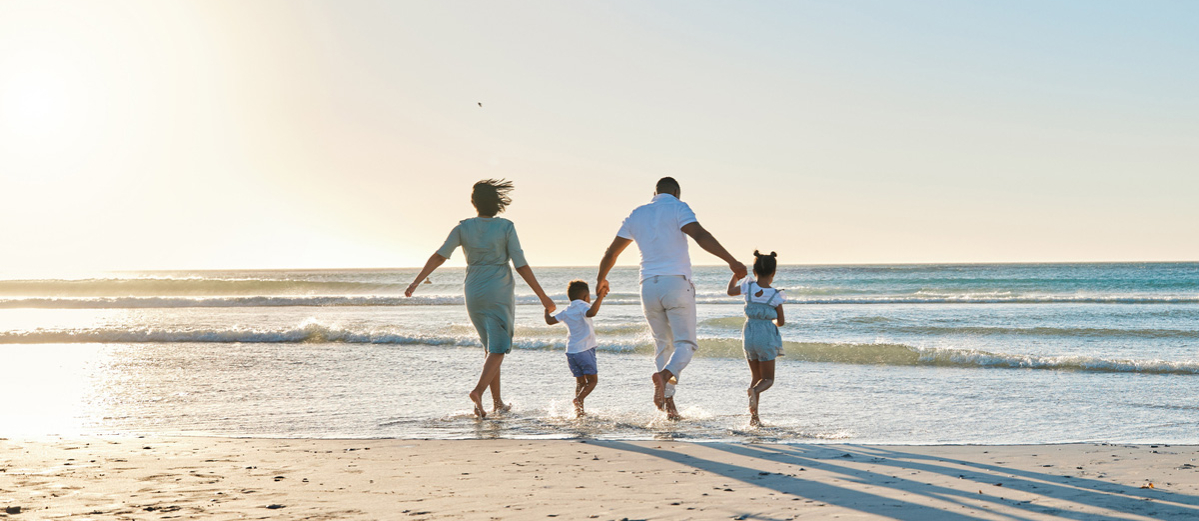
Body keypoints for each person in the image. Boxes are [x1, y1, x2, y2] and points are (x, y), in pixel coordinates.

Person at [596, 177, 747, 419]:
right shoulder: (678, 207)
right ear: (676, 192)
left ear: (653, 192)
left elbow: (611, 252)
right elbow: (699, 235)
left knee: (662, 346)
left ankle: (670, 407)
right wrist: (732, 261)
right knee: (685, 344)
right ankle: (665, 377)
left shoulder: (637, 213)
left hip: (647, 286)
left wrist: (600, 279)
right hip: (675, 283)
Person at [405, 179, 556, 418]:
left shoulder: (463, 228)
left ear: (474, 203)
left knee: (490, 347)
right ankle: (478, 391)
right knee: (499, 347)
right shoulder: (506, 227)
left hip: (473, 290)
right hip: (498, 290)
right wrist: (543, 296)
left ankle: (497, 403)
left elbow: (440, 255)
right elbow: (520, 264)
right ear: (497, 204)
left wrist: (416, 281)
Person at [726, 250, 785, 427]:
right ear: (773, 273)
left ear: (754, 271)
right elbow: (781, 322)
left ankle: (754, 418)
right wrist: (770, 320)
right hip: (765, 335)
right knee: (767, 380)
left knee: (756, 376)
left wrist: (735, 276)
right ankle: (754, 393)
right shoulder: (776, 295)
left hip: (749, 333)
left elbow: (730, 291)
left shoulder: (748, 287)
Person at [544, 280, 606, 417]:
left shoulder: (567, 310)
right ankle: (579, 400)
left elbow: (550, 321)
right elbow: (591, 313)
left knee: (580, 382)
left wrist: (547, 311)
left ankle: (579, 410)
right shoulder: (582, 305)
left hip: (571, 352)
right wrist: (601, 296)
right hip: (585, 349)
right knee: (593, 381)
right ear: (585, 296)